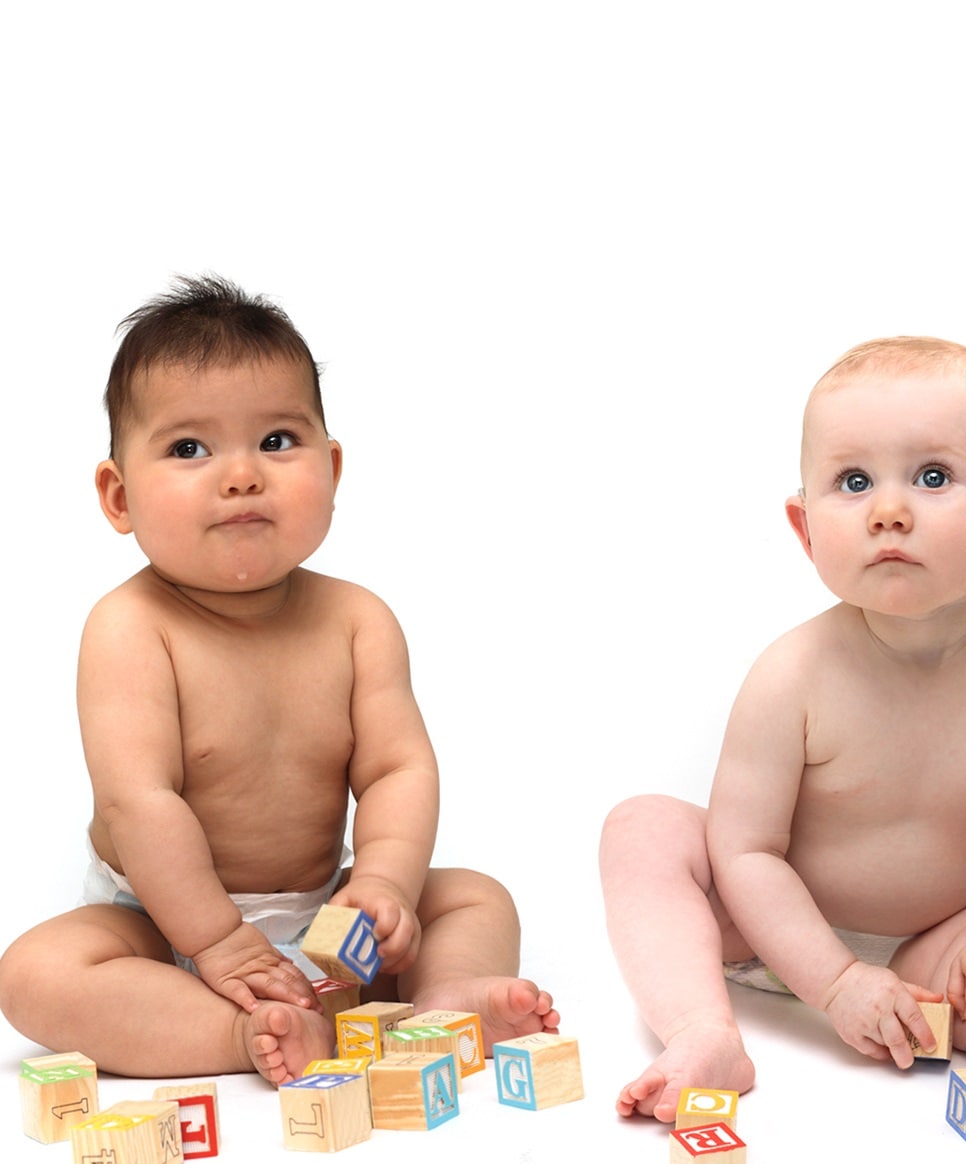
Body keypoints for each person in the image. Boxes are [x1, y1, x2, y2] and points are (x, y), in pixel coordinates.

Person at [599, 337, 966, 1162]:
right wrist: (833, 982)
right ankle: (702, 1030)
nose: (888, 510)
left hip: (940, 933)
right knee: (645, 827)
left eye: (933, 477)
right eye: (854, 481)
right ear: (805, 530)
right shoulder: (791, 673)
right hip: (769, 926)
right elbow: (747, 848)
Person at [0, 276, 557, 1085]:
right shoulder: (130, 629)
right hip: (164, 929)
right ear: (118, 496)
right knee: (37, 971)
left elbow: (398, 767)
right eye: (189, 448)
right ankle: (243, 1035)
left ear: (331, 469)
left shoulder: (357, 620)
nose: (240, 476)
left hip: (327, 910)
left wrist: (382, 886)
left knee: (476, 897)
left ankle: (440, 1001)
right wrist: (216, 941)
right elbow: (141, 803)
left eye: (276, 441)